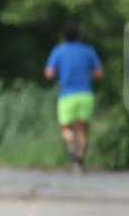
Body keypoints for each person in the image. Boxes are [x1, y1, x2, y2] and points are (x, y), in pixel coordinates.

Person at [44, 23, 104, 173]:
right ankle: (79, 162)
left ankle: (72, 146)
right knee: (83, 130)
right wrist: (86, 75)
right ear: (79, 35)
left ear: (63, 36)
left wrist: (62, 74)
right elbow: (99, 73)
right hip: (86, 94)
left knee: (66, 128)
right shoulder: (88, 51)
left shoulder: (59, 51)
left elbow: (49, 73)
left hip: (67, 95)